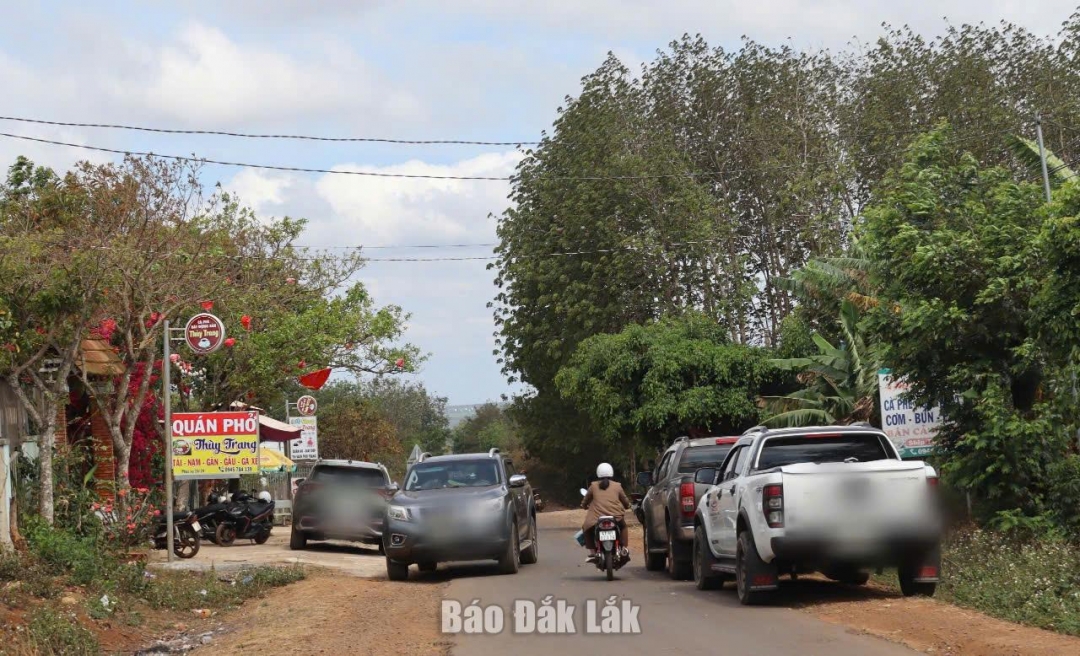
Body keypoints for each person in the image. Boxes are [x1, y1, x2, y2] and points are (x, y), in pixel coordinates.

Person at [580, 463, 631, 562]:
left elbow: (586, 500)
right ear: (611, 473)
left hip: (596, 518)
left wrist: (583, 505)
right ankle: (624, 548)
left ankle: (593, 553)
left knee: (586, 528)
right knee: (623, 526)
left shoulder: (593, 486)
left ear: (598, 473)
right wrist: (627, 505)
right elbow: (625, 500)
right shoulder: (617, 486)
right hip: (615, 517)